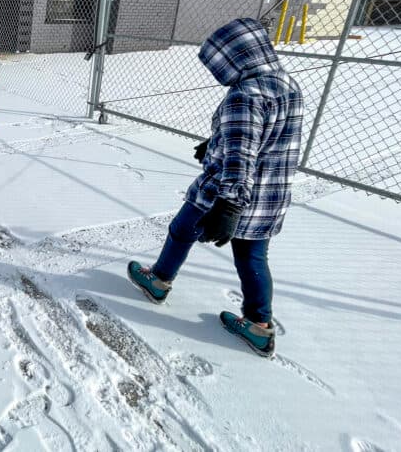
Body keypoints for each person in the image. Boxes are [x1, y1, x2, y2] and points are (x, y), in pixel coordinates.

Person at [126, 18, 303, 358]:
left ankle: (159, 280)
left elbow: (240, 155)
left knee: (181, 230)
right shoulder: (286, 84)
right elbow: (264, 133)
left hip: (223, 191)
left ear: (237, 58)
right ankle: (258, 325)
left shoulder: (244, 95)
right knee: (252, 255)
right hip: (269, 194)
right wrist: (216, 140)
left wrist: (229, 205)